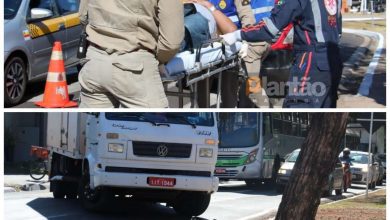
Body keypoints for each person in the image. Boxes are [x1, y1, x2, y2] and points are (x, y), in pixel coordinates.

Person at [221, 0, 343, 108]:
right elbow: (338, 28)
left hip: (311, 61)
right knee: (325, 106)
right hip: (334, 59)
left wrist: (236, 35)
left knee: (298, 104)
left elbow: (270, 28)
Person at [78, 0, 184, 108]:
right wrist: (158, 60)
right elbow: (171, 43)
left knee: (96, 122)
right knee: (155, 123)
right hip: (136, 65)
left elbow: (83, 16)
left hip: (95, 61)